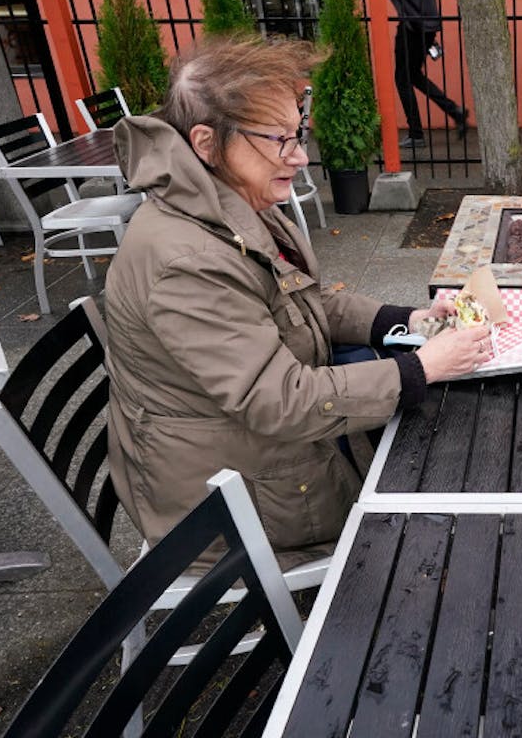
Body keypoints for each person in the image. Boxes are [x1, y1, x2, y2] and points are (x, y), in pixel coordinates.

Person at [103, 37, 492, 564]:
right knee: (457, 477)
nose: (300, 156)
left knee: (450, 431)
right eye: (278, 140)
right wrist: (420, 369)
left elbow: (300, 303)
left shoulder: (224, 201)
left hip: (253, 459)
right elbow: (280, 402)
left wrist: (408, 322)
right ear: (205, 141)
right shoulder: (187, 261)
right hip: (229, 504)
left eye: (296, 134)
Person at [382, 0, 469, 148]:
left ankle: (417, 133)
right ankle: (454, 111)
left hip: (412, 26)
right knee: (413, 76)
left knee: (402, 78)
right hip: (425, 25)